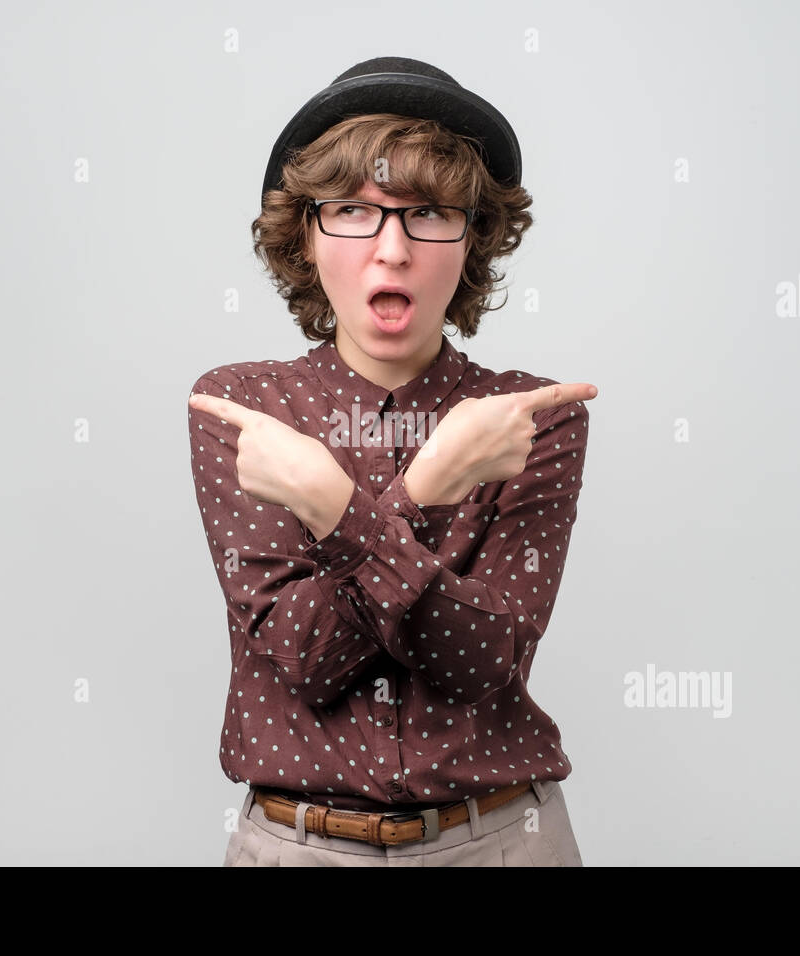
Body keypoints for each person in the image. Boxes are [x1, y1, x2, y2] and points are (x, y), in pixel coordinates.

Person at [187, 57, 597, 866]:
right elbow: (308, 660)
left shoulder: (529, 423)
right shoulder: (243, 412)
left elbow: (479, 663)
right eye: (353, 212)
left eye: (428, 214)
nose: (392, 249)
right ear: (306, 233)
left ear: (472, 236)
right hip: (294, 848)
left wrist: (334, 509)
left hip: (502, 843)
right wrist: (427, 489)